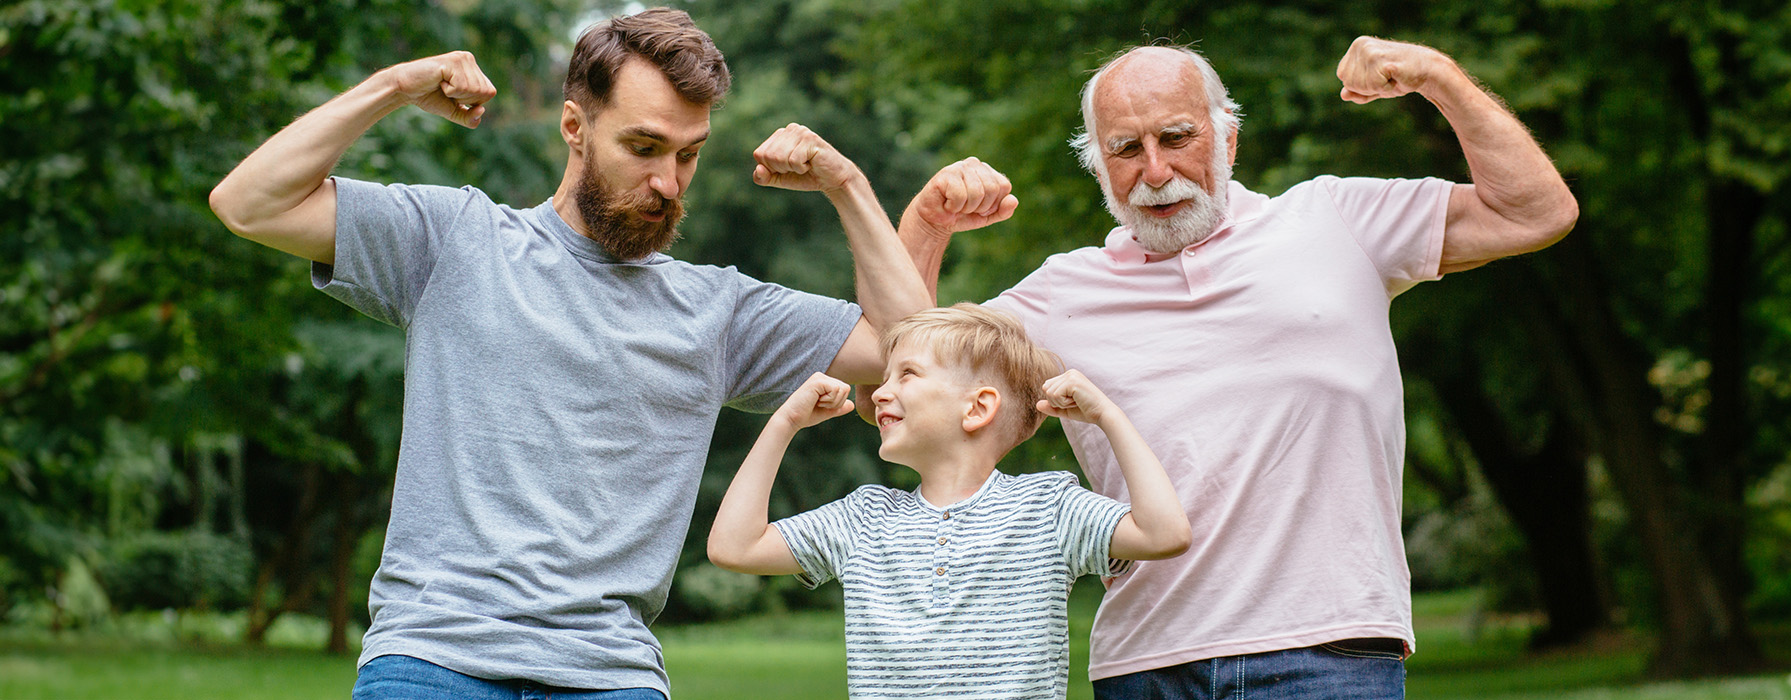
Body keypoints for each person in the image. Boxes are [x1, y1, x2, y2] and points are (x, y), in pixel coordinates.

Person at [205, 8, 983, 698]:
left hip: (610, 675)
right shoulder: (454, 241)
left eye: (688, 154)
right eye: (643, 147)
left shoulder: (719, 310)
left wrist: (846, 184)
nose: (668, 183)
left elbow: (912, 352)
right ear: (574, 127)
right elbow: (248, 203)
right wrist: (394, 87)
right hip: (433, 660)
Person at [890, 39, 1580, 698]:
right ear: (1099, 168)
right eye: (1125, 149)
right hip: (1148, 667)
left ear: (1228, 140)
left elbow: (1535, 212)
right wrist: (925, 229)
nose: (1154, 171)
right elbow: (897, 384)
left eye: (1178, 137)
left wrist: (1439, 79)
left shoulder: (1337, 221)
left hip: (1330, 653)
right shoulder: (1059, 294)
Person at [706, 303, 1191, 699]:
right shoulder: (863, 518)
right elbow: (735, 546)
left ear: (977, 408)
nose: (880, 393)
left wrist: (1107, 415)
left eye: (907, 375)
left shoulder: (1048, 508)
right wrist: (782, 422)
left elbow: (1163, 533)